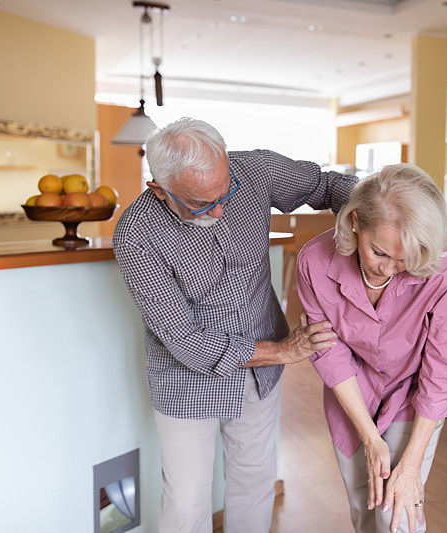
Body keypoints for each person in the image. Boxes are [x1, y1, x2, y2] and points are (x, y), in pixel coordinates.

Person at [112, 117, 356, 533]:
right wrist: (282, 351)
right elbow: (184, 339)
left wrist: (376, 220)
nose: (222, 210)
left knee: (255, 483)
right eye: (203, 205)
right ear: (160, 189)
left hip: (259, 377)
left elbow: (329, 186)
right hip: (186, 379)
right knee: (187, 503)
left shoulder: (255, 170)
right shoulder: (136, 235)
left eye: (227, 193)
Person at [296, 163, 447, 533]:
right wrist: (371, 439)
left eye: (404, 260)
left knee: (397, 515)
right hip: (354, 393)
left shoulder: (444, 271)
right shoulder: (314, 260)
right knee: (364, 506)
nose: (389, 270)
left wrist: (412, 463)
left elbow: (443, 373)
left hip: (413, 397)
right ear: (355, 221)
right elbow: (329, 351)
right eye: (379, 253)